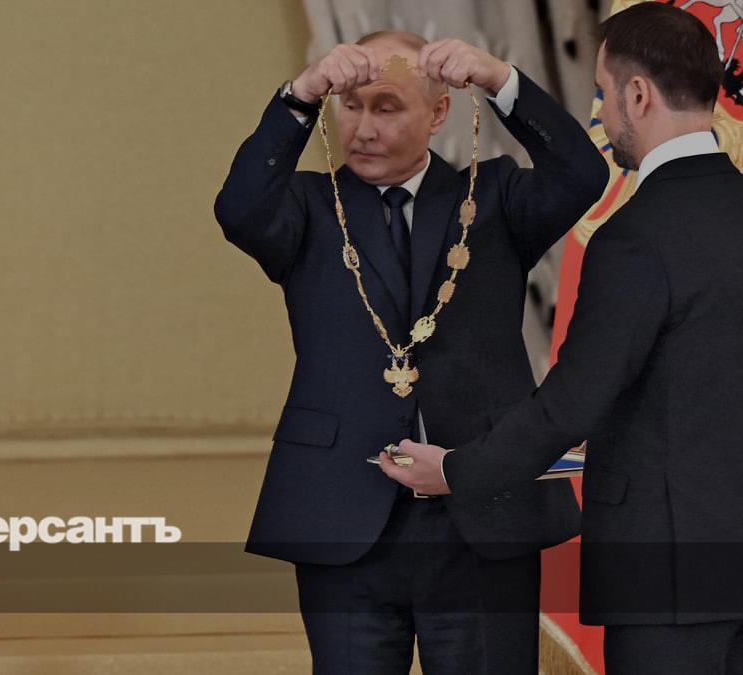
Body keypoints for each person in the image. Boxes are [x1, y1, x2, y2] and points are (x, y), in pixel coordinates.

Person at [214, 30, 606, 672]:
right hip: (342, 513)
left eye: (388, 107)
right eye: (350, 106)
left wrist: (498, 79)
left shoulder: (496, 198)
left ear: (438, 113)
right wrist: (299, 97)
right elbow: (237, 208)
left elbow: (583, 173)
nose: (363, 128)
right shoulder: (309, 208)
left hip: (480, 517)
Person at [380, 4, 743, 673]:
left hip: (666, 581)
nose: (601, 114)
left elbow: (570, 404)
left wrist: (455, 471)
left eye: (603, 93)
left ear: (639, 95)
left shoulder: (635, 237)